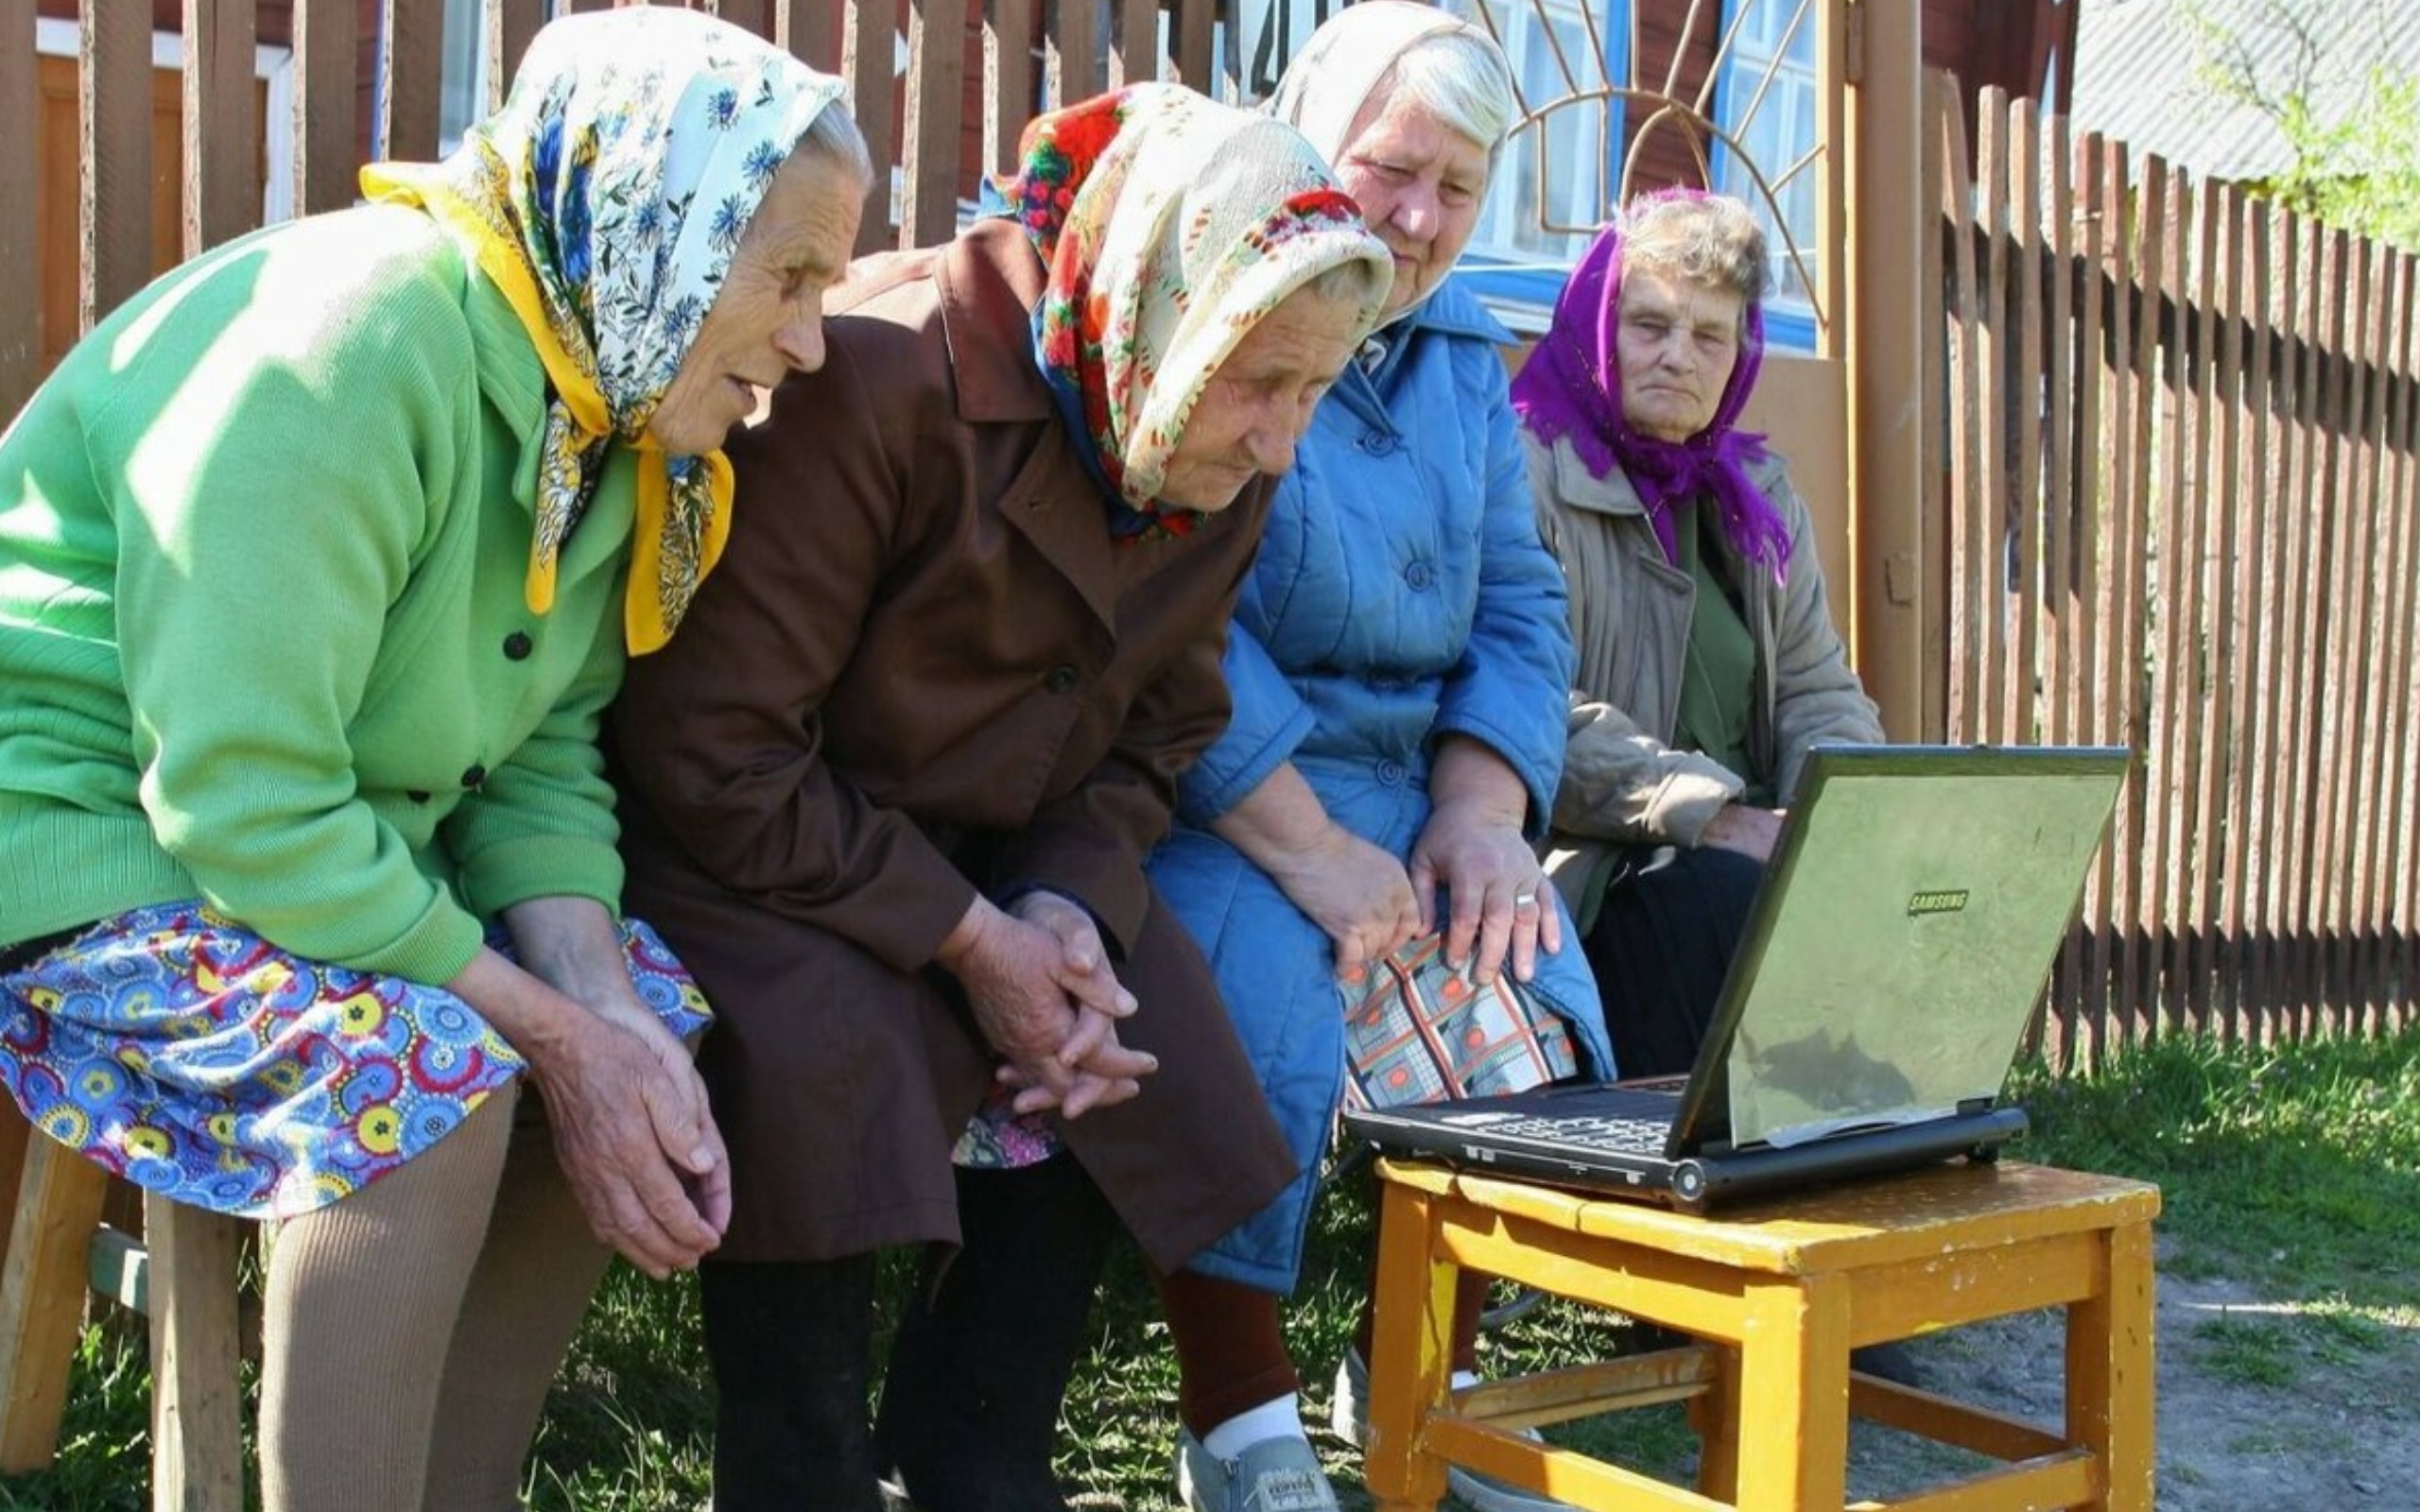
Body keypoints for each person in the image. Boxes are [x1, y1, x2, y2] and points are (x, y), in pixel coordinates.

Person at [0, 11, 869, 1510]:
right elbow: (241, 799)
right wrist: (542, 1025)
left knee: (649, 1034)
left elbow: (540, 755)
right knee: (437, 1071)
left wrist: (598, 1010)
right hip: (83, 845)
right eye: (787, 276)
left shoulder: (604, 404)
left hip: (309, 860)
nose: (810, 342)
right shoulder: (351, 348)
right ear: (657, 225)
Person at [605, 81, 1392, 1512]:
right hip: (762, 856)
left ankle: (976, 1449)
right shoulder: (880, 374)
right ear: (1164, 302)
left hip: (999, 854)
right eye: (1263, 383)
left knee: (1115, 1014)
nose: (1281, 440)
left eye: (1314, 392)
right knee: (823, 1046)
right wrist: (974, 938)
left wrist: (1063, 903)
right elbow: (711, 755)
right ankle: (802, 1472)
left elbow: (1161, 734)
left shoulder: (1201, 423)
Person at [1135, 9, 1613, 1510]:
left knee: (1521, 998)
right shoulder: (1236, 301)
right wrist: (1306, 844)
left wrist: (1480, 810)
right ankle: (1240, 1421)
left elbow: (1519, 599)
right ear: (1308, 140)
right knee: (1263, 1020)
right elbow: (1172, 605)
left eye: (1458, 187)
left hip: (1415, 789)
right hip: (1227, 791)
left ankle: (1424, 1381)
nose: (1417, 218)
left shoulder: (1460, 352)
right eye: (1390, 167)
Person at [1512, 188, 1883, 1082]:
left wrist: (1831, 823)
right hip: (1594, 869)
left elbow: (1818, 686)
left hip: (1748, 849)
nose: (1679, 356)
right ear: (1600, 324)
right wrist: (1715, 817)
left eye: (1710, 336)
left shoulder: (1757, 497)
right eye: (1650, 325)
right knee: (1729, 904)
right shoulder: (1526, 472)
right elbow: (1528, 709)